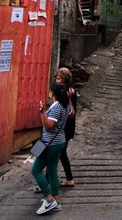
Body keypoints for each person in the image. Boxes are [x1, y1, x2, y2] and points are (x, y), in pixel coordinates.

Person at [32, 82, 72, 215]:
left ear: (52, 94)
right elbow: (71, 114)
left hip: (49, 143)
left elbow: (49, 126)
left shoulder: (56, 107)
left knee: (36, 170)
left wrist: (42, 113)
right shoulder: (65, 105)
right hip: (59, 141)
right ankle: (55, 200)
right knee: (52, 170)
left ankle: (48, 199)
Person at [54, 68, 77, 189]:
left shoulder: (68, 93)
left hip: (63, 129)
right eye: (56, 79)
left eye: (59, 79)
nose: (57, 81)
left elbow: (71, 113)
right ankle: (68, 178)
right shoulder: (65, 91)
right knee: (60, 153)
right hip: (62, 129)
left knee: (57, 154)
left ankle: (67, 178)